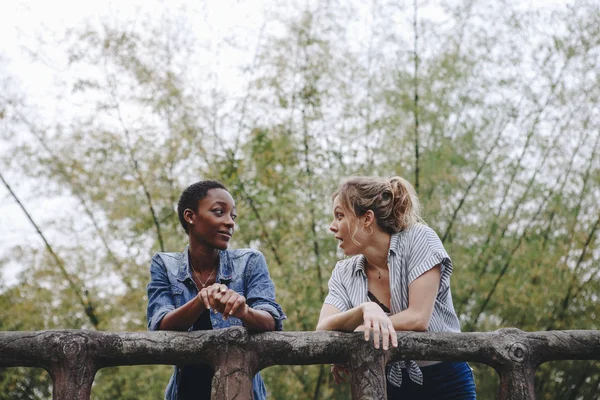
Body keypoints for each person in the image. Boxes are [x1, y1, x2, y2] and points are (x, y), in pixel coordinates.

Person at [316, 176, 476, 399]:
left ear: (367, 219)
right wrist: (365, 311)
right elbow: (323, 329)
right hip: (384, 382)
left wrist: (363, 330)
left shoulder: (420, 239)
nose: (332, 226)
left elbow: (418, 318)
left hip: (445, 380)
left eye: (340, 216)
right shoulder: (343, 272)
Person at [147, 180, 286, 400]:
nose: (230, 222)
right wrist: (201, 300)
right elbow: (160, 324)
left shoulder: (250, 261)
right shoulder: (164, 265)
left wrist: (243, 312)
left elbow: (271, 320)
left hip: (243, 393)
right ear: (190, 216)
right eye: (219, 212)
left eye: (233, 216)